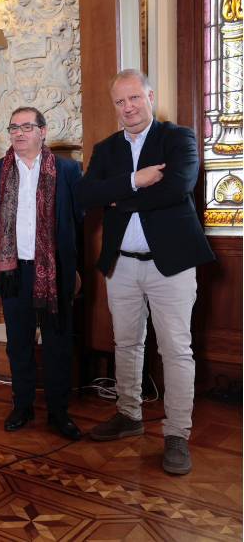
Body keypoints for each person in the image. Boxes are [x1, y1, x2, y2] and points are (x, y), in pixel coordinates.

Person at [75, 69, 215, 475]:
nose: (128, 107)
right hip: (121, 264)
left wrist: (120, 198)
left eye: (134, 98)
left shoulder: (178, 138)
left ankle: (176, 434)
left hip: (171, 265)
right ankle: (128, 415)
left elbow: (177, 187)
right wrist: (136, 180)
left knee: (176, 350)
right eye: (120, 101)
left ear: (150, 97)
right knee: (126, 344)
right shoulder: (106, 149)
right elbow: (86, 194)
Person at [0, 107, 83, 441]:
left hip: (54, 271)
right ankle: (22, 406)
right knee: (18, 344)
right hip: (13, 272)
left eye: (27, 127)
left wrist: (62, 258)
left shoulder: (68, 170)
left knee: (57, 344)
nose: (19, 133)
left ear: (43, 131)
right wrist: (6, 245)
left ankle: (58, 412)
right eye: (14, 127)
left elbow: (78, 217)